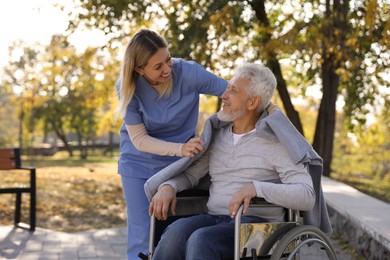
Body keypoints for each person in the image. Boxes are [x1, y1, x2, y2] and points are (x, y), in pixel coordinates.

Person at [148, 63, 316, 260]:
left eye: (233, 91)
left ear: (252, 102)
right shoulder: (218, 137)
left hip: (258, 225)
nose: (224, 95)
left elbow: (307, 195)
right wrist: (169, 185)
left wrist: (256, 188)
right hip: (215, 218)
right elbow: (191, 175)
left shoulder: (276, 142)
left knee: (201, 240)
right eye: (228, 88)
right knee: (175, 232)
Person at [115, 28, 228, 259]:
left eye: (167, 60)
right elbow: (138, 139)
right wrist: (180, 148)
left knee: (174, 231)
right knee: (142, 236)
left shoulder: (188, 73)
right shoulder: (127, 87)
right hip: (138, 165)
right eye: (158, 67)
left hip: (178, 167)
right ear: (139, 69)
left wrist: (267, 108)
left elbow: (232, 92)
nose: (167, 69)